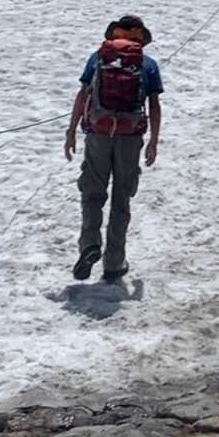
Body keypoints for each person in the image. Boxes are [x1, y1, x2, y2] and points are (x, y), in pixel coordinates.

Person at [65, 15, 163, 282]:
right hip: (130, 137)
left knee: (92, 193)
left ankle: (89, 245)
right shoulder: (147, 64)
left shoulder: (98, 58)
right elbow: (154, 105)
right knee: (122, 198)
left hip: (98, 132)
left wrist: (71, 132)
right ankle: (114, 262)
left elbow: (83, 95)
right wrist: (154, 140)